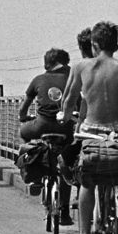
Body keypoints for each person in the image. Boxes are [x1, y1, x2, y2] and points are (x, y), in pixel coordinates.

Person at [61, 22, 118, 234]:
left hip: (91, 129)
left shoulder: (81, 66)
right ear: (115, 44)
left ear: (93, 44)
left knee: (87, 180)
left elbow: (68, 100)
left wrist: (65, 117)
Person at [17, 48, 75, 215]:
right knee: (66, 160)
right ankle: (64, 211)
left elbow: (23, 109)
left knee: (24, 132)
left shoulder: (38, 79)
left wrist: (24, 118)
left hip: (41, 125)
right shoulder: (70, 80)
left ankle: (33, 171)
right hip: (65, 127)